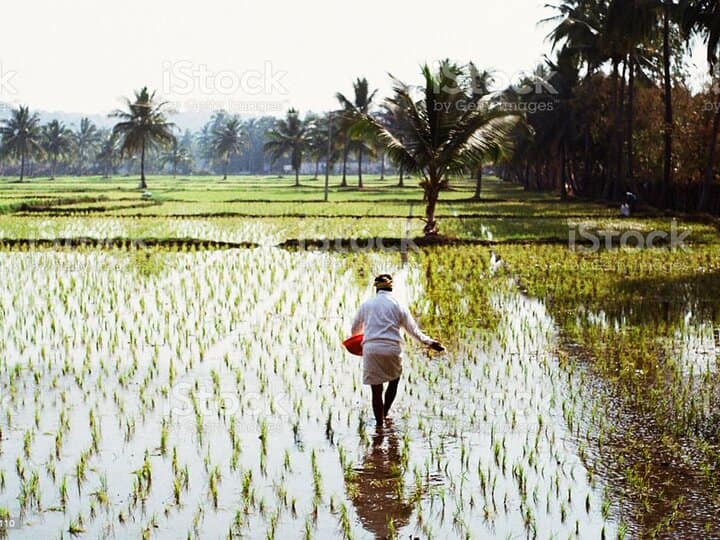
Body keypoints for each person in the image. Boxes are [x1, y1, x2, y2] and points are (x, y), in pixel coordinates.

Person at [351, 274, 444, 427]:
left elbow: (355, 329)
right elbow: (413, 330)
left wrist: (361, 340)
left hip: (371, 349)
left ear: (376, 288)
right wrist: (430, 342)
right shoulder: (398, 305)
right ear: (391, 287)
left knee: (376, 391)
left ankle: (379, 425)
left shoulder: (366, 305)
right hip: (392, 349)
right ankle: (385, 412)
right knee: (394, 381)